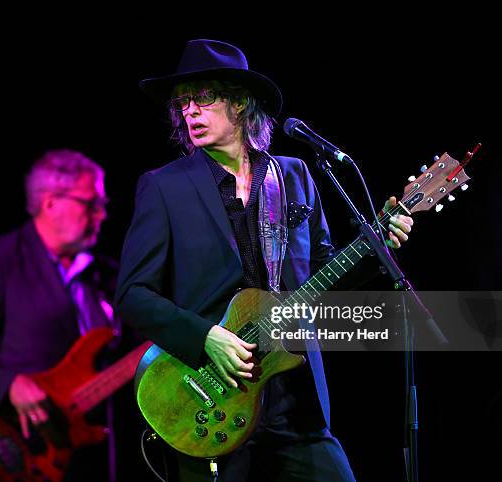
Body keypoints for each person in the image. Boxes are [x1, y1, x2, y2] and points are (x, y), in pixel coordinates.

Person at [115, 39, 414, 481]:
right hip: (213, 398)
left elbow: (322, 279)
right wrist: (206, 337)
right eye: (183, 102)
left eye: (204, 98)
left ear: (239, 102)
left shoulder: (294, 175)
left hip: (295, 402)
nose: (190, 112)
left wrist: (377, 248)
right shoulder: (164, 187)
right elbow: (132, 296)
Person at [0, 149, 121, 481]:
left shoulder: (104, 276)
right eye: (91, 204)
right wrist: (7, 384)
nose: (101, 215)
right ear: (50, 203)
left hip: (85, 459)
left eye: (102, 205)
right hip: (14, 456)